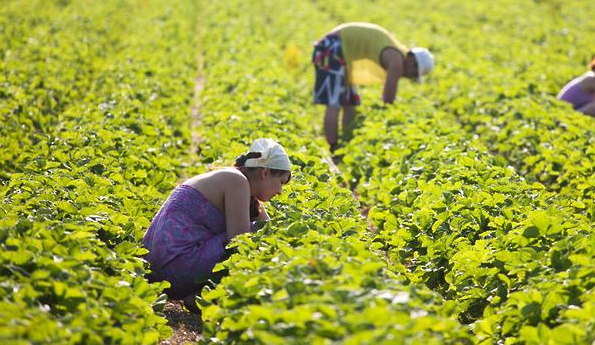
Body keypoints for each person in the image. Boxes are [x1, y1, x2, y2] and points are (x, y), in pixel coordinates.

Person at [142, 139, 292, 312]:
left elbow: (266, 223)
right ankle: (207, 296)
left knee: (258, 231)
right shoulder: (237, 181)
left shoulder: (233, 180)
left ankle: (200, 294)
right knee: (253, 237)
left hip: (155, 269)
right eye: (281, 182)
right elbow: (241, 240)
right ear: (265, 173)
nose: (280, 191)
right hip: (176, 265)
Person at [312, 22, 434, 154]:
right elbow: (388, 99)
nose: (410, 76)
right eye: (414, 73)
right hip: (332, 47)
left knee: (350, 101)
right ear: (412, 61)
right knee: (334, 101)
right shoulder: (397, 60)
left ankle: (347, 144)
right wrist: (388, 121)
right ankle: (334, 147)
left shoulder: (396, 54)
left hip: (341, 50)